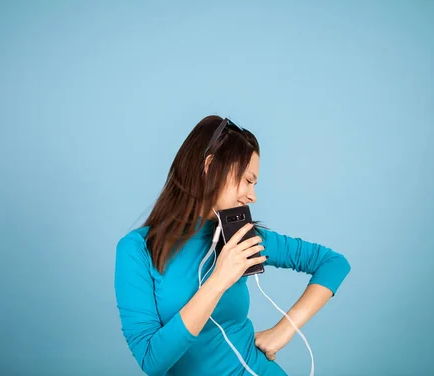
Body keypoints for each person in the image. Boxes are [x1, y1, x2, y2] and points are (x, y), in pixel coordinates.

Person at [114, 115, 351, 375]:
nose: (253, 195)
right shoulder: (137, 250)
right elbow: (152, 361)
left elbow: (333, 263)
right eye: (248, 180)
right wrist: (219, 280)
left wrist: (283, 331)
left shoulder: (242, 239)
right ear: (211, 165)